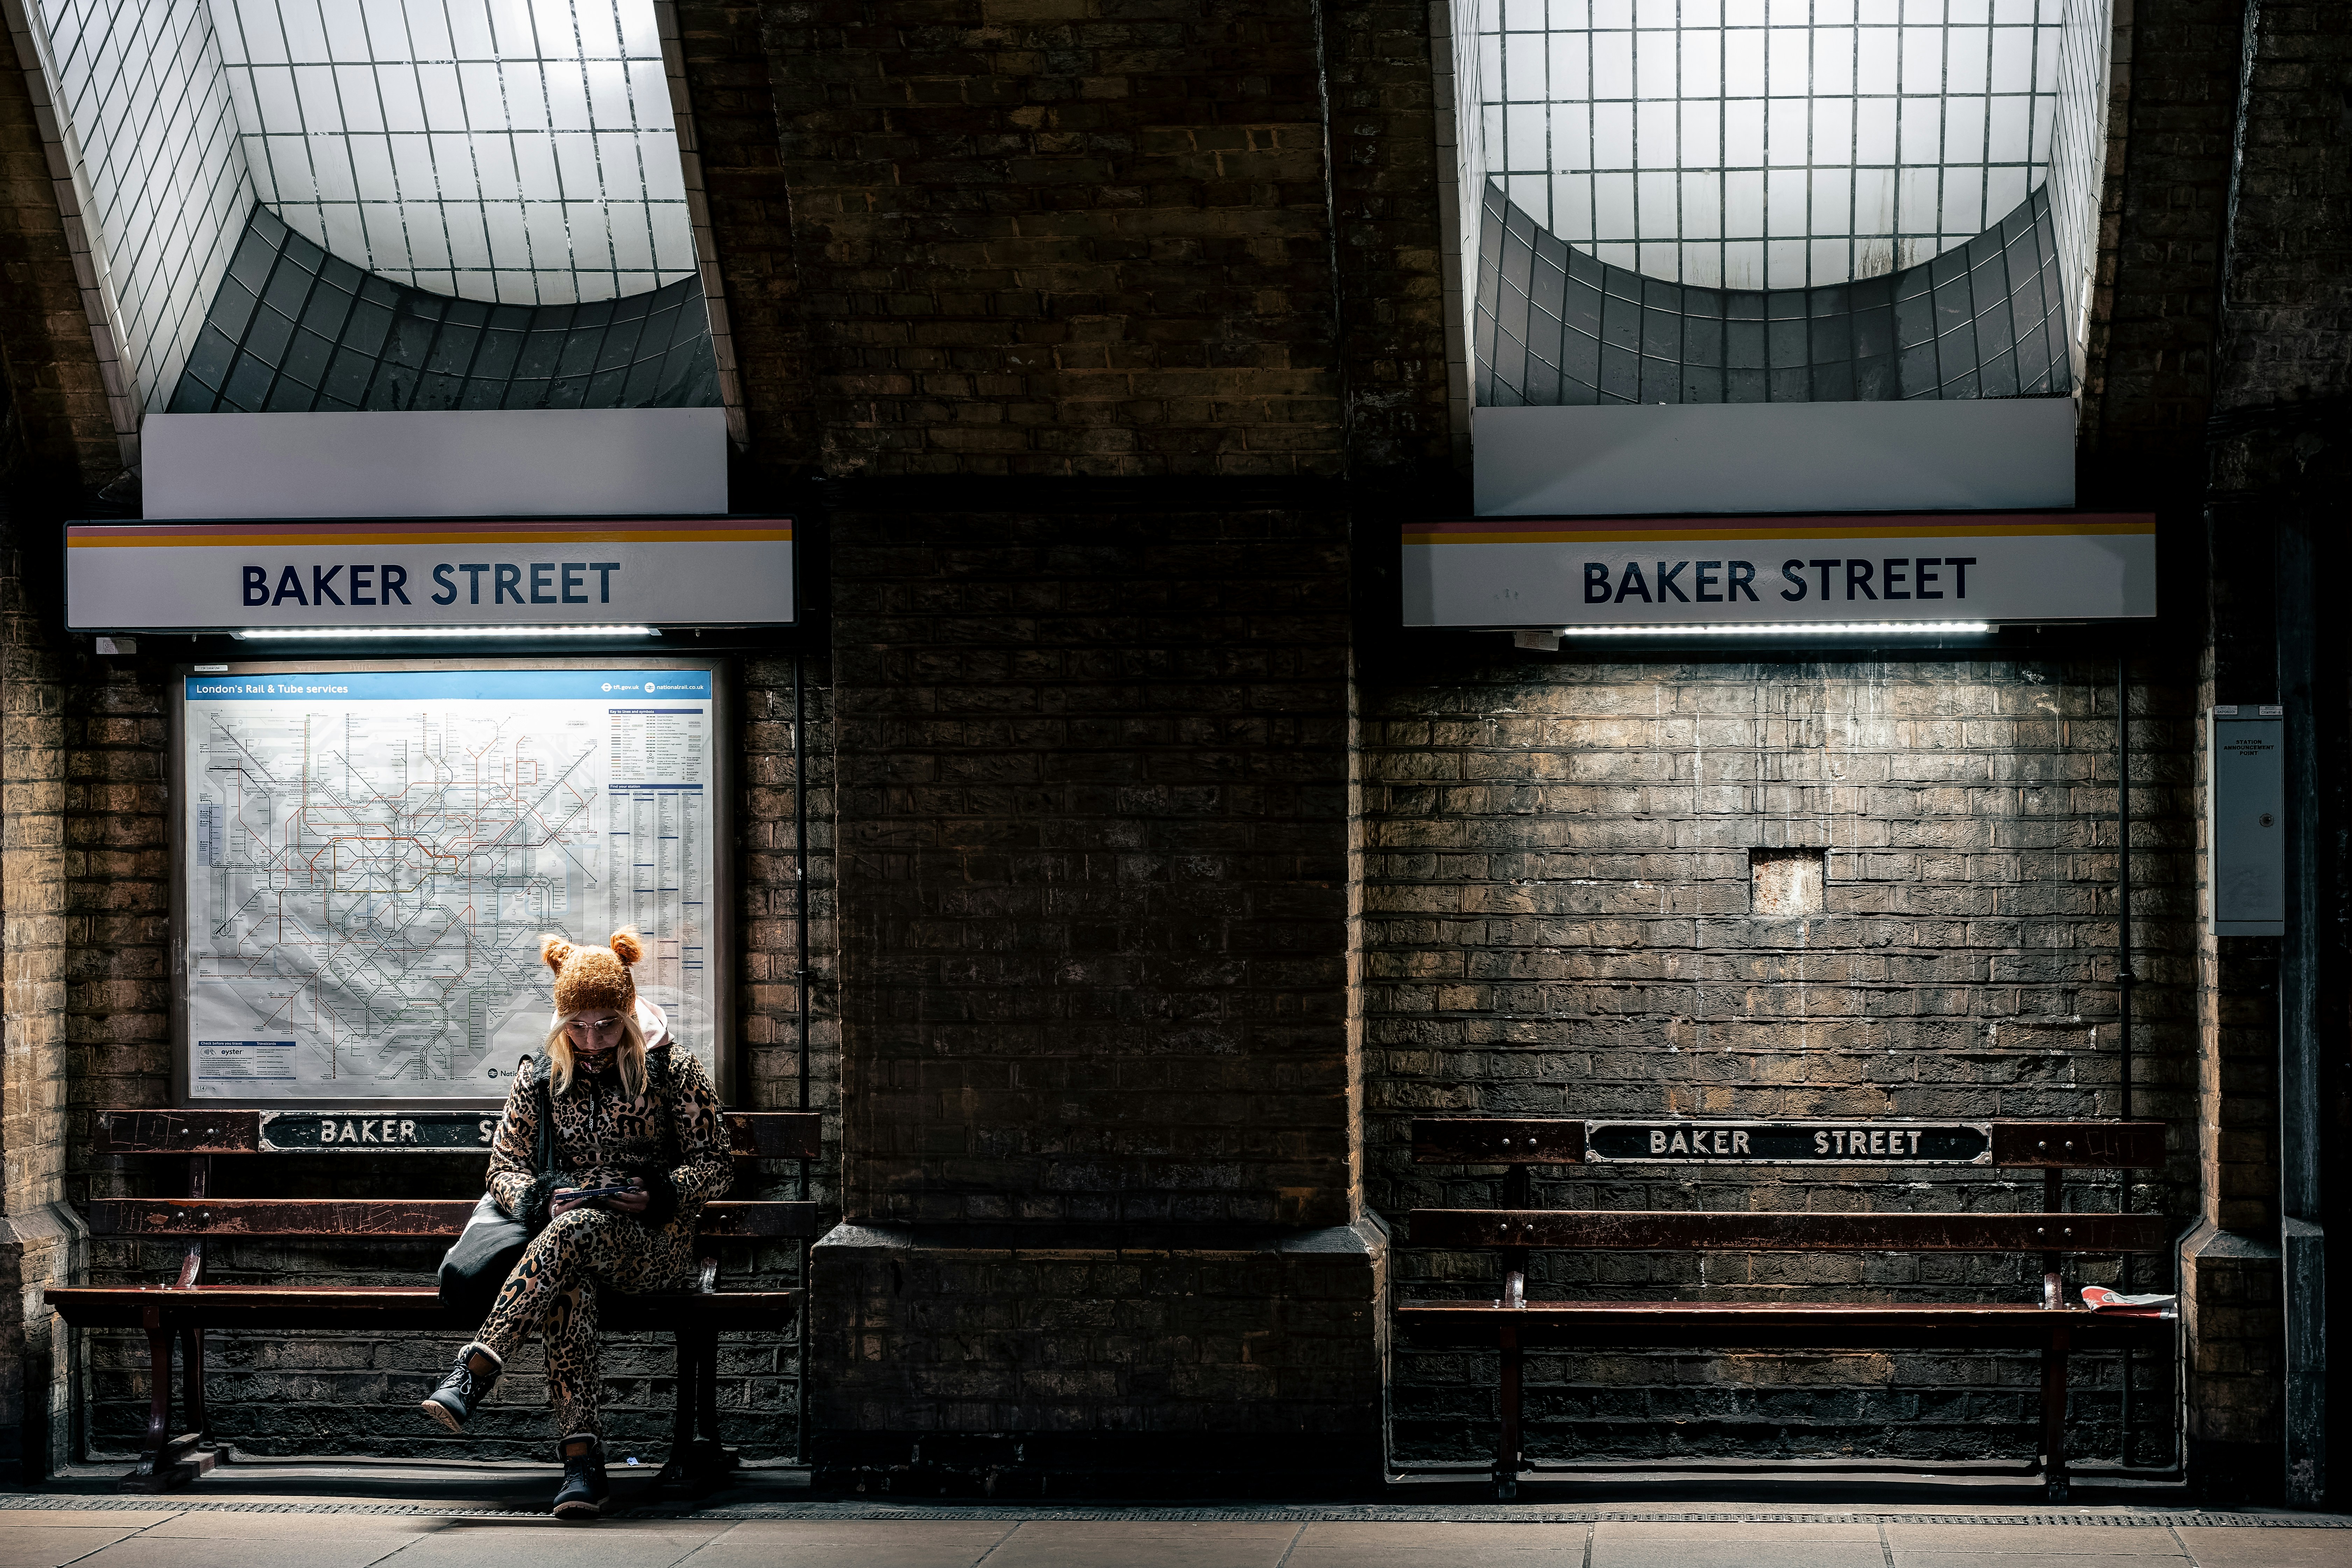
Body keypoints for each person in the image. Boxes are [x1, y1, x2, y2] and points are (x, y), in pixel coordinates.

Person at [418, 929, 730, 1519]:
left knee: (573, 1235)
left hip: (652, 1247)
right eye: (577, 1026)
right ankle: (582, 1466)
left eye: (607, 1025)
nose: (591, 1040)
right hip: (565, 1249)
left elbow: (715, 1165)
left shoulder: (673, 1071)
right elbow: (503, 1170)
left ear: (629, 1015)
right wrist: (541, 1200)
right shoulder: (540, 1076)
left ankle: (475, 1371)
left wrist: (660, 1192)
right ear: (562, 1022)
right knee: (568, 1278)